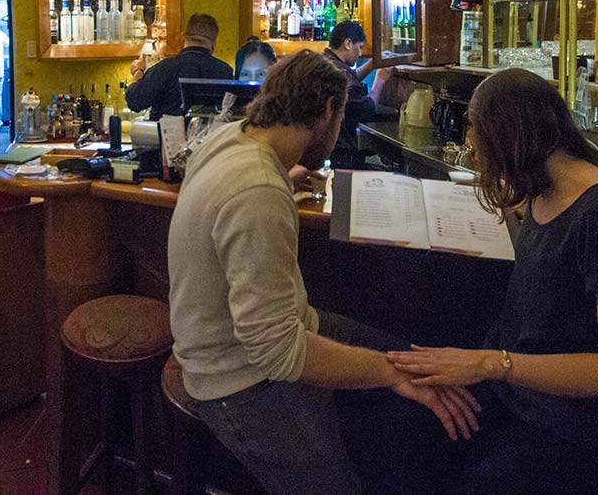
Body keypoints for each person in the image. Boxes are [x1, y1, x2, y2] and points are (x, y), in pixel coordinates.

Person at [168, 50, 479, 495]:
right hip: (237, 384)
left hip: (260, 343)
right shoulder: (256, 189)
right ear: (329, 111)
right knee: (392, 402)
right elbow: (279, 353)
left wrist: (283, 176)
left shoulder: (233, 139)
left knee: (417, 367)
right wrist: (387, 373)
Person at [386, 68, 598, 495]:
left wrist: (488, 364)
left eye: (474, 133)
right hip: (523, 401)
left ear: (506, 136)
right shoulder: (545, 192)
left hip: (580, 429)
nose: (471, 148)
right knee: (399, 424)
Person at [125, 13, 233, 119]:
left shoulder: (165, 68)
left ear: (183, 37)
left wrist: (138, 72)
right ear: (214, 44)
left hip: (167, 135)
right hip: (212, 135)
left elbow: (135, 101)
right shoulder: (225, 72)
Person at [321, 20, 390, 168]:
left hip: (326, 147)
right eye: (359, 47)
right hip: (340, 151)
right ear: (348, 43)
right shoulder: (341, 71)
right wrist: (380, 81)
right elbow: (365, 110)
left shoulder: (326, 61)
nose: (360, 54)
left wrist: (372, 65)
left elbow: (348, 80)